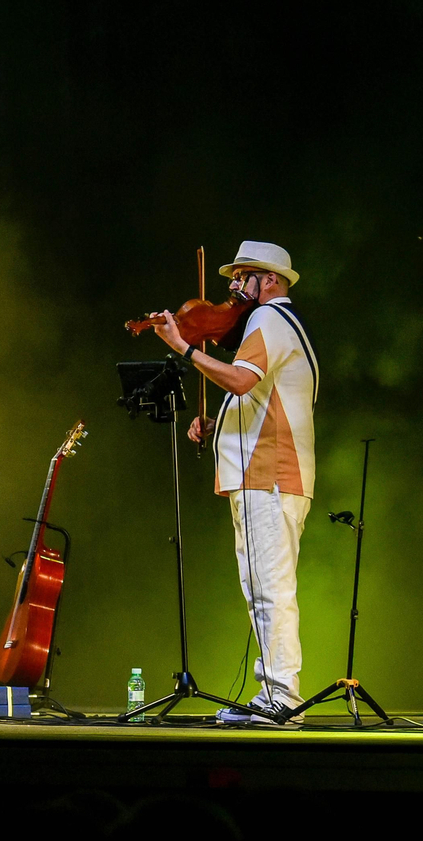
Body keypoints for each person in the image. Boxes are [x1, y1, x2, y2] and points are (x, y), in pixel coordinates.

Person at [150, 240, 317, 724]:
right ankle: (274, 696)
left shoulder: (269, 320)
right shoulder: (280, 326)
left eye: (240, 277)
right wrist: (216, 424)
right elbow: (257, 396)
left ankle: (281, 699)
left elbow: (242, 382)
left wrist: (183, 348)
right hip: (266, 476)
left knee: (270, 589)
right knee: (262, 587)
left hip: (269, 477)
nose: (231, 288)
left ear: (269, 281)